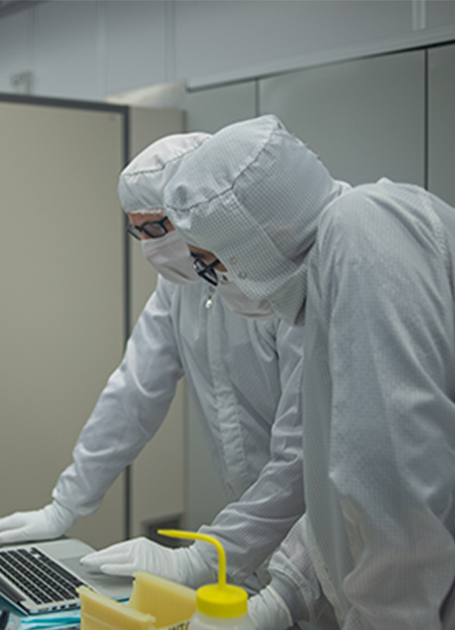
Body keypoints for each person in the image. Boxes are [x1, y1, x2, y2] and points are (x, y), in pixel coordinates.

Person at [0, 133, 308, 617]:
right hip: (246, 536)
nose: (151, 248)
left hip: (321, 533)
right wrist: (66, 504)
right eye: (138, 232)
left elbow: (302, 456)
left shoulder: (275, 286)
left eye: (157, 229)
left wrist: (200, 560)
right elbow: (134, 392)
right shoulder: (179, 289)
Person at [159, 114, 455, 629]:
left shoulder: (362, 229)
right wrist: (284, 596)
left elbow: (392, 482)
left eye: (211, 265)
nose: (216, 283)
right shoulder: (330, 276)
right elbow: (332, 482)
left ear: (253, 240)